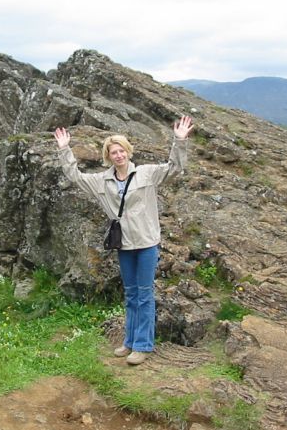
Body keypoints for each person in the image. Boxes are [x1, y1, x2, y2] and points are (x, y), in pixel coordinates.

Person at [54, 115, 194, 365]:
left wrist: (179, 141)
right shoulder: (102, 180)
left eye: (121, 151)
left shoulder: (147, 174)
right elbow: (75, 176)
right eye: (113, 152)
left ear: (128, 152)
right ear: (108, 157)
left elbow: (174, 168)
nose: (118, 155)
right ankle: (129, 341)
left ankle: (142, 346)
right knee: (131, 294)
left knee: (144, 294)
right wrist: (65, 149)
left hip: (147, 243)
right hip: (124, 245)